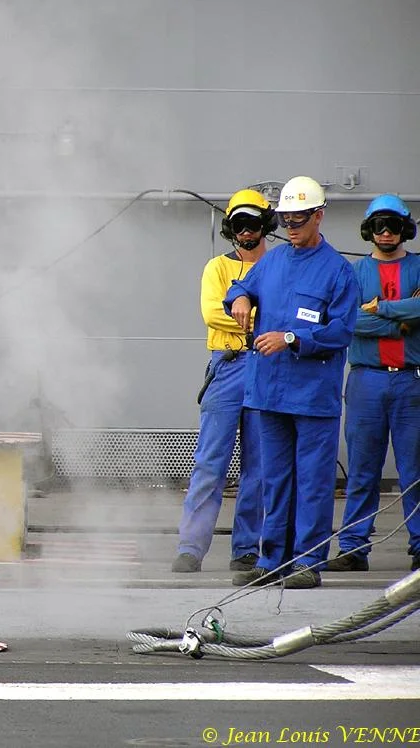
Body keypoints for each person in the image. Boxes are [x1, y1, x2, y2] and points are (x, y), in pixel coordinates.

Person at [225, 176, 359, 589]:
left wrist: (292, 338)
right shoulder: (274, 261)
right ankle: (271, 561)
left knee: (314, 480)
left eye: (299, 218)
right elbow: (240, 287)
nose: (292, 226)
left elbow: (341, 332)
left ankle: (306, 561)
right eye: (285, 219)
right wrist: (241, 299)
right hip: (269, 392)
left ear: (319, 216)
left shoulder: (339, 273)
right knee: (275, 478)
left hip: (312, 396)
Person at [172, 189, 269, 574]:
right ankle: (191, 547)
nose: (246, 232)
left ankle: (246, 548)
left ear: (267, 225)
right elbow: (213, 314)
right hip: (227, 367)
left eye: (254, 223)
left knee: (259, 465)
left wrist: (249, 313)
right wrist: (265, 319)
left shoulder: (278, 265)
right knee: (211, 462)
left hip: (266, 366)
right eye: (239, 224)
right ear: (230, 227)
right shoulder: (217, 268)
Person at [327, 194, 420, 573]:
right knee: (363, 469)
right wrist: (402, 319)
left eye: (392, 225)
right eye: (379, 226)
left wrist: (379, 307)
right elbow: (350, 322)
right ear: (369, 230)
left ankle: (419, 545)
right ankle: (353, 547)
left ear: (404, 229)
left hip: (410, 383)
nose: (385, 233)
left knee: (414, 470)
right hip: (366, 380)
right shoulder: (353, 272)